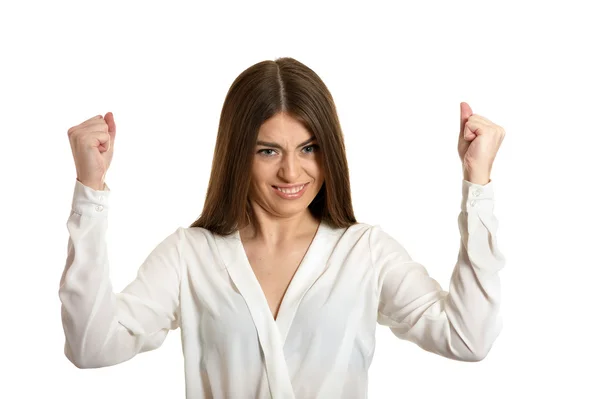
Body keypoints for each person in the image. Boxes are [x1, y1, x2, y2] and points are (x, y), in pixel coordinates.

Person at [60, 57, 506, 398]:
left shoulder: (365, 252)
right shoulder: (189, 256)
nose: (292, 173)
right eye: (268, 151)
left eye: (309, 148)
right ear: (238, 155)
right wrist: (91, 190)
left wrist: (478, 182)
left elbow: (468, 338)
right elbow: (92, 346)